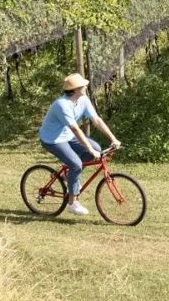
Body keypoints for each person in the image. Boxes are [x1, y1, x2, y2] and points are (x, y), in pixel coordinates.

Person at [37, 73, 120, 216]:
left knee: (96, 149)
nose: (86, 86)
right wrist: (88, 148)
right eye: (83, 85)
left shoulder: (83, 99)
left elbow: (97, 120)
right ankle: (72, 203)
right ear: (75, 89)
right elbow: (75, 129)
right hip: (52, 139)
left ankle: (69, 176)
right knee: (76, 164)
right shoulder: (62, 105)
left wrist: (113, 138)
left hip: (67, 136)